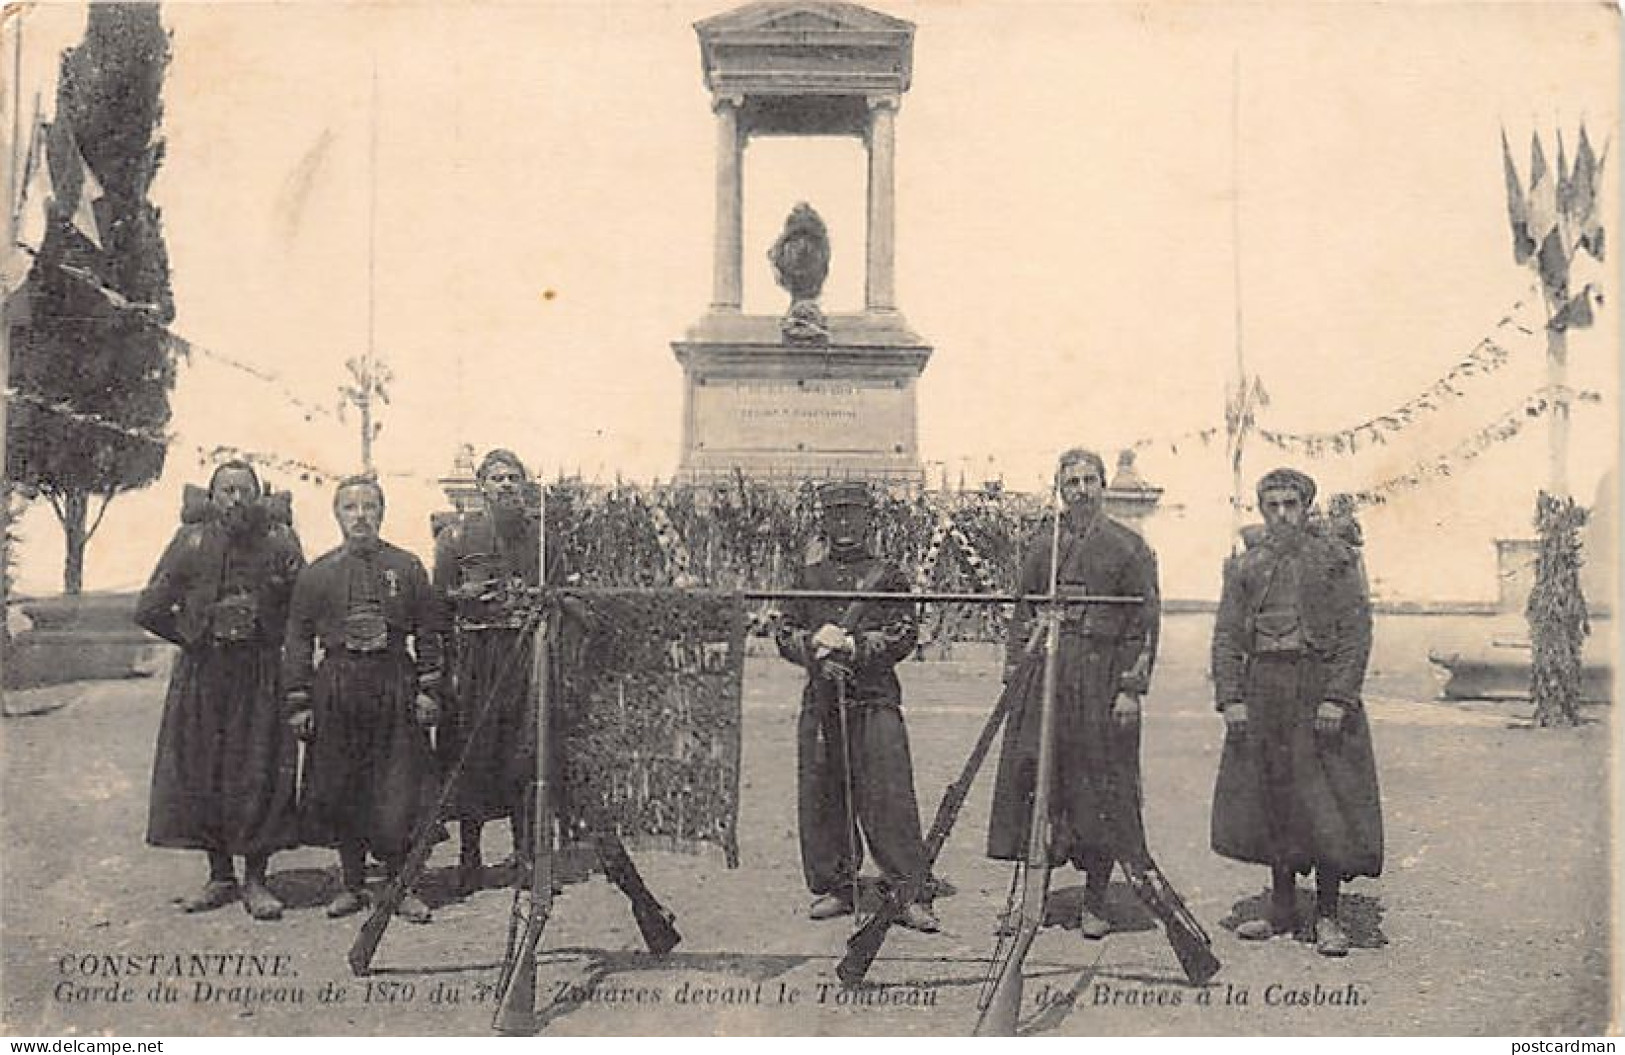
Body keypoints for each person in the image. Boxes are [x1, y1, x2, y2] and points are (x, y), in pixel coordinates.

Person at [985, 448, 1161, 940]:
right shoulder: (1045, 542)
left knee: (1100, 788)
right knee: (1035, 784)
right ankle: (1029, 900)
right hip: (1045, 678)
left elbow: (1144, 623)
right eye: (1071, 482)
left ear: (1103, 486)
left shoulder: (1129, 548)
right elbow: (1022, 611)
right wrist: (1015, 669)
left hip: (1101, 681)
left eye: (1089, 480)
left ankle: (1096, 899)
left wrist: (1130, 688)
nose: (1080, 490)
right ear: (1059, 487)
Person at [1210, 467, 1383, 957]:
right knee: (1275, 796)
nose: (1283, 514)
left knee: (1325, 801)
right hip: (1265, 691)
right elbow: (1226, 635)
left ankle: (1328, 914)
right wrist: (1232, 698)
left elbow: (1356, 634)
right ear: (1262, 510)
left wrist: (1337, 698)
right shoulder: (1247, 566)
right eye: (1273, 506)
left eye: (1291, 504)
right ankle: (1281, 907)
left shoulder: (1335, 561)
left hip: (1317, 689)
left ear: (1307, 507)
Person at [136, 461, 305, 920]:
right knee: (203, 769)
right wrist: (192, 634)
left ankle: (256, 878)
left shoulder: (279, 540)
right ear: (213, 496)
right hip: (204, 673)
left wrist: (278, 644)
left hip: (260, 673)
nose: (235, 499)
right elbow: (149, 607)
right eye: (226, 490)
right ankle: (219, 875)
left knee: (258, 768)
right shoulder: (190, 541)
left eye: (244, 490)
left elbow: (301, 608)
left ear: (257, 494)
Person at [774, 480, 939, 933]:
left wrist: (853, 643)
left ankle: (907, 890)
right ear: (824, 521)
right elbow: (783, 632)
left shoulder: (888, 576)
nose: (845, 522)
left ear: (870, 520)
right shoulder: (807, 576)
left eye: (853, 513)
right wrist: (812, 645)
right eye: (836, 514)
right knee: (825, 794)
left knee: (889, 796)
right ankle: (836, 885)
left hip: (875, 699)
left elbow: (905, 632)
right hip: (823, 699)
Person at [283, 475, 443, 922]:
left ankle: (399, 884)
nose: (360, 516)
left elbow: (429, 632)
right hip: (337, 685)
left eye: (369, 506)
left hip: (393, 681)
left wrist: (428, 689)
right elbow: (297, 640)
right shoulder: (317, 574)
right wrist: (299, 701)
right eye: (350, 508)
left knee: (397, 785)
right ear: (337, 515)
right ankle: (351, 884)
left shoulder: (406, 567)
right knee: (341, 784)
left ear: (382, 513)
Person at [433, 448, 557, 894]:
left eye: (513, 478)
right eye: (497, 478)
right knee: (472, 752)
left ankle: (526, 854)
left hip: (527, 655)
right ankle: (471, 855)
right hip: (476, 658)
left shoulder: (541, 538)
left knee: (527, 751)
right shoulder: (456, 537)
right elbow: (437, 605)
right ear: (482, 486)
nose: (506, 486)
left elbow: (562, 593)